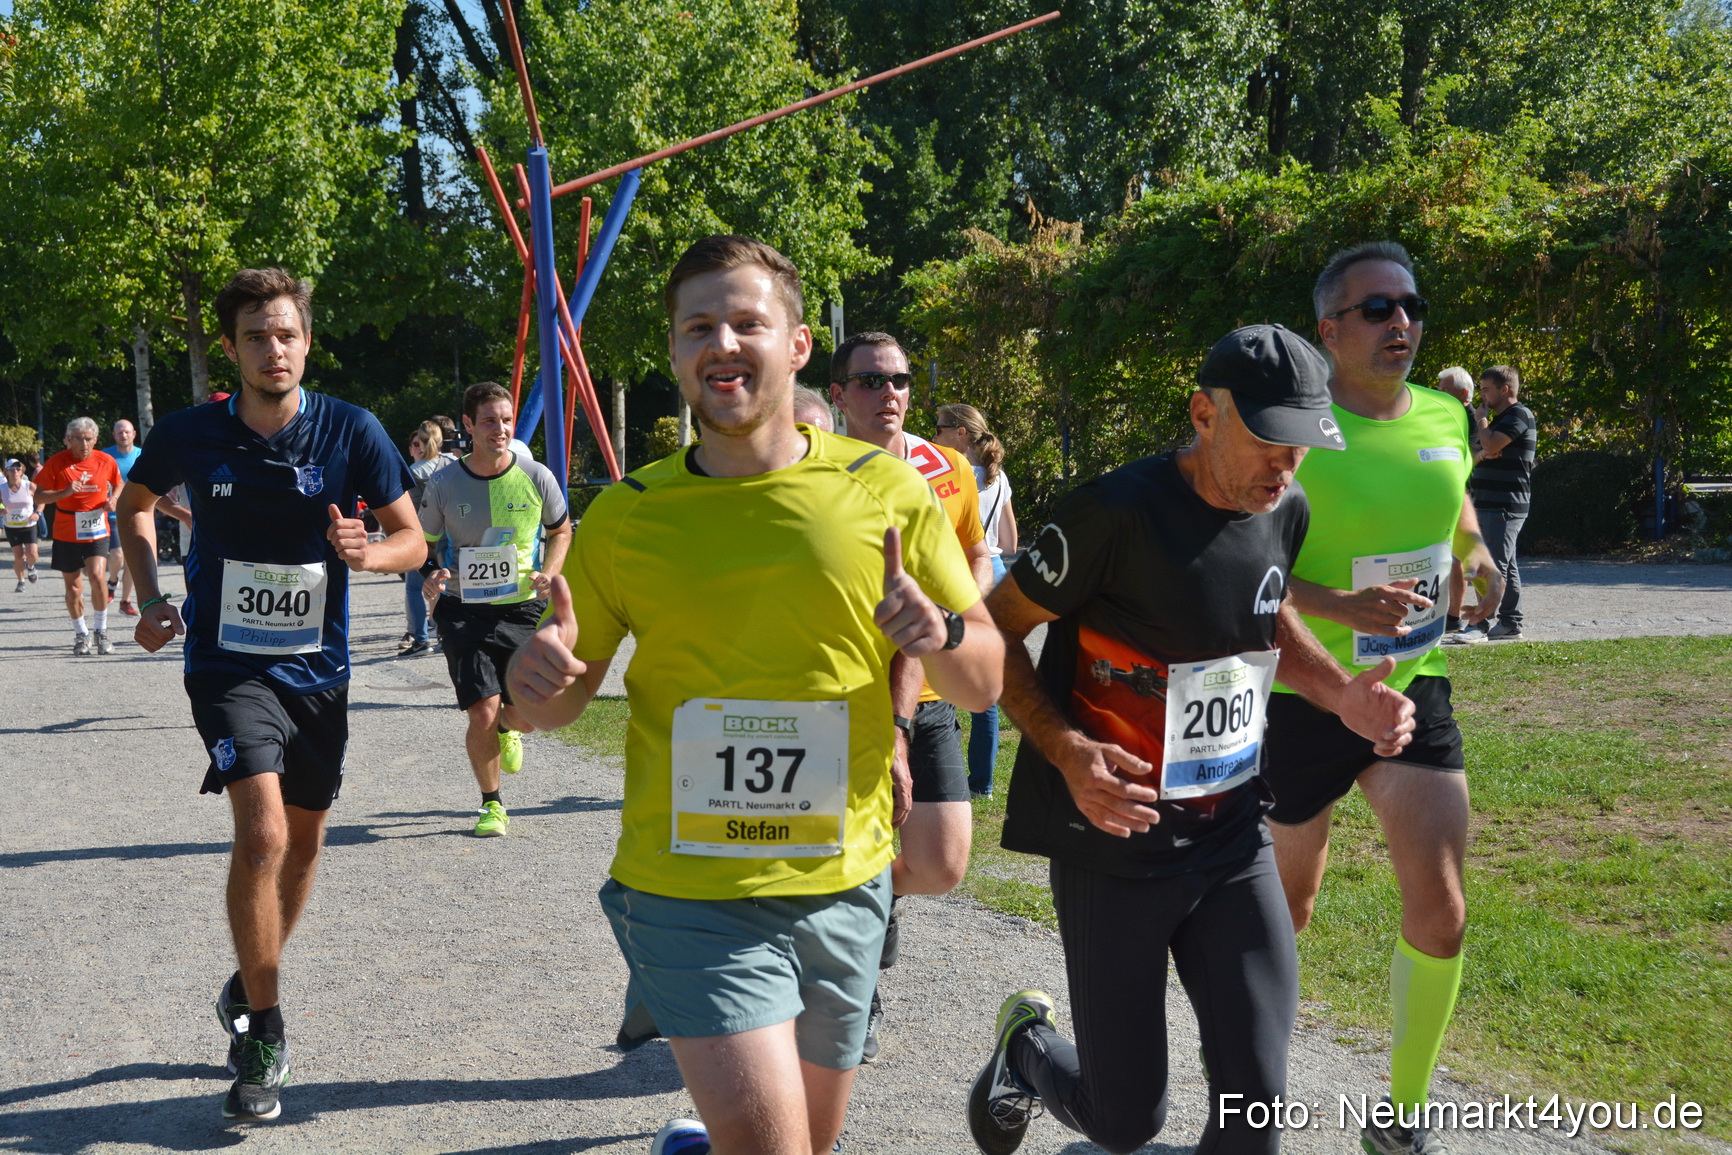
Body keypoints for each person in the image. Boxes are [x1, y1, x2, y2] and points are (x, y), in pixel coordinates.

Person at [506, 235, 1000, 1155]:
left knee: (806, 1142)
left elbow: (986, 679)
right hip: (687, 888)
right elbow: (558, 699)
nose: (722, 342)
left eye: (747, 321)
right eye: (700, 326)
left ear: (800, 344)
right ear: (674, 353)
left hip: (847, 883)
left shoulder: (883, 489)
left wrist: (939, 634)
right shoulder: (629, 513)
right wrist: (533, 680)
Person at [966, 324, 1415, 1155]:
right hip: (1118, 845)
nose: (1286, 466)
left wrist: (1337, 692)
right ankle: (1027, 1051)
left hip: (1231, 839)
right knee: (1126, 1119)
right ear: (1204, 414)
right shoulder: (1112, 513)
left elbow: (1262, 606)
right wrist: (1067, 750)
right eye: (1270, 440)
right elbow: (992, 628)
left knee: (1256, 1114)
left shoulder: (1284, 507)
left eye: (1303, 446)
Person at [117, 267, 422, 1123]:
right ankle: (263, 1027)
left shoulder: (351, 430)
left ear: (306, 340)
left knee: (304, 846)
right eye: (256, 336)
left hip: (318, 674)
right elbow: (133, 506)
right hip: (226, 664)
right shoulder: (189, 433)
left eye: (286, 333)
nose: (274, 349)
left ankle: (250, 977)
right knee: (263, 830)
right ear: (232, 348)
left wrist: (368, 554)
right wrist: (147, 598)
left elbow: (414, 539)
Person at [1263, 242, 1504, 1155]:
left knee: (1441, 909)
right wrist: (1339, 606)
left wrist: (1475, 553)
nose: (1401, 321)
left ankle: (1399, 1118)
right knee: (1290, 908)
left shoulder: (1446, 412)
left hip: (1411, 682)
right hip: (1310, 690)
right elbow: (1253, 571)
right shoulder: (1295, 429)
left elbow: (1456, 507)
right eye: (1377, 309)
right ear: (1329, 330)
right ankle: (1248, 1090)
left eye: (1411, 304)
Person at [829, 332, 995, 1062]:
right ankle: (853, 987)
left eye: (897, 380)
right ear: (838, 394)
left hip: (926, 693)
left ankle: (867, 897)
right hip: (844, 696)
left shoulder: (948, 468)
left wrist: (965, 606)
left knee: (942, 861)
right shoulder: (815, 469)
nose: (888, 393)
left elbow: (978, 549)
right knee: (840, 849)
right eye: (869, 381)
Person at [420, 383, 571, 836]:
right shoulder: (443, 483)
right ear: (468, 425)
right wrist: (431, 571)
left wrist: (549, 572)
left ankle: (511, 724)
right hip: (463, 610)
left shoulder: (536, 475)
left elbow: (561, 530)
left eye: (506, 420)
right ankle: (492, 805)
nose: (500, 429)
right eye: (489, 420)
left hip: (522, 609)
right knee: (481, 710)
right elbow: (423, 544)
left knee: (526, 714)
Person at [935, 403, 1018, 797]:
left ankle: (943, 768)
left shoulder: (952, 475)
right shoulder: (998, 478)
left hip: (963, 572)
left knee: (943, 674)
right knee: (987, 688)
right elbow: (1011, 541)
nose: (934, 437)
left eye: (940, 429)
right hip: (996, 574)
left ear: (960, 434)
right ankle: (983, 782)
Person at [1458, 365, 1535, 643]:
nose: (1482, 395)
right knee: (1507, 564)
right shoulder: (1503, 420)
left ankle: (1479, 624)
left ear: (1505, 389)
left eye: (1486, 389)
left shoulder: (1518, 415)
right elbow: (1480, 452)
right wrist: (1485, 447)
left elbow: (1487, 447)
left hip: (1504, 504)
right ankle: (1510, 624)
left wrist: (1481, 422)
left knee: (1488, 565)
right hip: (1493, 503)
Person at [34, 417, 123, 655]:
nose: (84, 444)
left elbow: (119, 483)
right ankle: (81, 634)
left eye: (89, 439)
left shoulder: (105, 460)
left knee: (97, 576)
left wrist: (113, 499)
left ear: (95, 439)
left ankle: (101, 630)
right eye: (79, 439)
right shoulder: (56, 463)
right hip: (66, 529)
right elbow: (39, 497)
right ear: (68, 440)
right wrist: (64, 492)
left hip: (96, 527)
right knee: (73, 588)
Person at [1433, 369, 1482, 636]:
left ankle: (1454, 617)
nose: (1437, 394)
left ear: (1463, 394)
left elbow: (1471, 455)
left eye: (1443, 390)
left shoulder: (1470, 419)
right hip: (1441, 495)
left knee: (1457, 559)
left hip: (1463, 498)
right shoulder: (1442, 417)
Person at [400, 421, 449, 656]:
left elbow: (414, 508)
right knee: (448, 585)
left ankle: (421, 639)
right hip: (451, 534)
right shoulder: (453, 464)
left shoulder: (415, 470)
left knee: (414, 588)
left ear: (418, 442)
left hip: (424, 537)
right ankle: (444, 634)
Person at [103, 418, 144, 615]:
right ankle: (112, 581)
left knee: (133, 560)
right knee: (118, 554)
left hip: (137, 512)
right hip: (112, 513)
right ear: (114, 435)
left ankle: (125, 601)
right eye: (119, 432)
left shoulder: (142, 455)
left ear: (134, 434)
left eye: (127, 432)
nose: (124, 435)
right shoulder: (105, 456)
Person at [3, 457, 41, 591]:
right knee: (19, 556)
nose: (15, 471)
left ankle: (31, 567)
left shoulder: (28, 485)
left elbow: (42, 498)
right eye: (12, 469)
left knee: (33, 554)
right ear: (6, 471)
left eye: (18, 469)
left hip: (28, 525)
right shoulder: (2, 488)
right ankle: (21, 581)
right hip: (12, 527)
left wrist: (38, 513)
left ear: (21, 471)